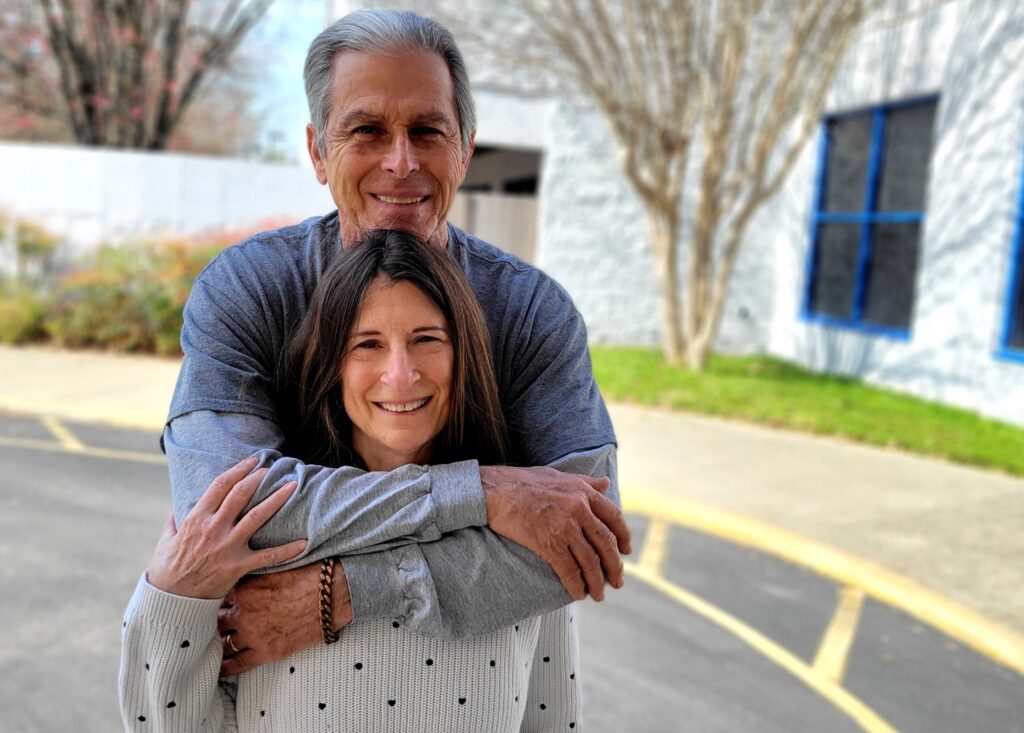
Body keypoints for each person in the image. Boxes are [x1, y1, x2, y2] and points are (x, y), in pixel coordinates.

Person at [162, 8, 630, 677]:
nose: (401, 161)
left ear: (465, 150)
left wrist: (346, 593)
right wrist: (483, 494)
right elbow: (221, 509)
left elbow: (587, 537)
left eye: (428, 131)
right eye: (367, 130)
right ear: (318, 152)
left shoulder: (531, 312)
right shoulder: (248, 290)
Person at [121, 230, 585, 731]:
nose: (400, 375)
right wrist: (173, 595)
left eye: (426, 339)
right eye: (367, 344)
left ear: (464, 353)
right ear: (332, 366)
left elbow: (552, 720)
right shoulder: (261, 542)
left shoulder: (526, 537)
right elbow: (166, 723)